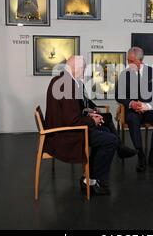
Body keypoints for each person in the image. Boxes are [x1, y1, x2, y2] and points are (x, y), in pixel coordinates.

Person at [44, 56, 118, 196]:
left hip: (65, 131)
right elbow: (72, 120)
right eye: (83, 68)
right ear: (75, 69)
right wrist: (92, 120)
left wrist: (88, 114)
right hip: (65, 135)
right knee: (110, 140)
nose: (85, 71)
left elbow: (71, 114)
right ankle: (90, 181)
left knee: (105, 130)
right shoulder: (67, 84)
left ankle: (91, 178)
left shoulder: (63, 80)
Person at [115, 47, 153, 172]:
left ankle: (152, 154)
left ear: (140, 60)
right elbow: (118, 95)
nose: (129, 63)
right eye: (128, 60)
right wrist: (132, 103)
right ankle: (141, 155)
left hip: (151, 109)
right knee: (132, 120)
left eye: (131, 61)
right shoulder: (124, 74)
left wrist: (145, 106)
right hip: (133, 110)